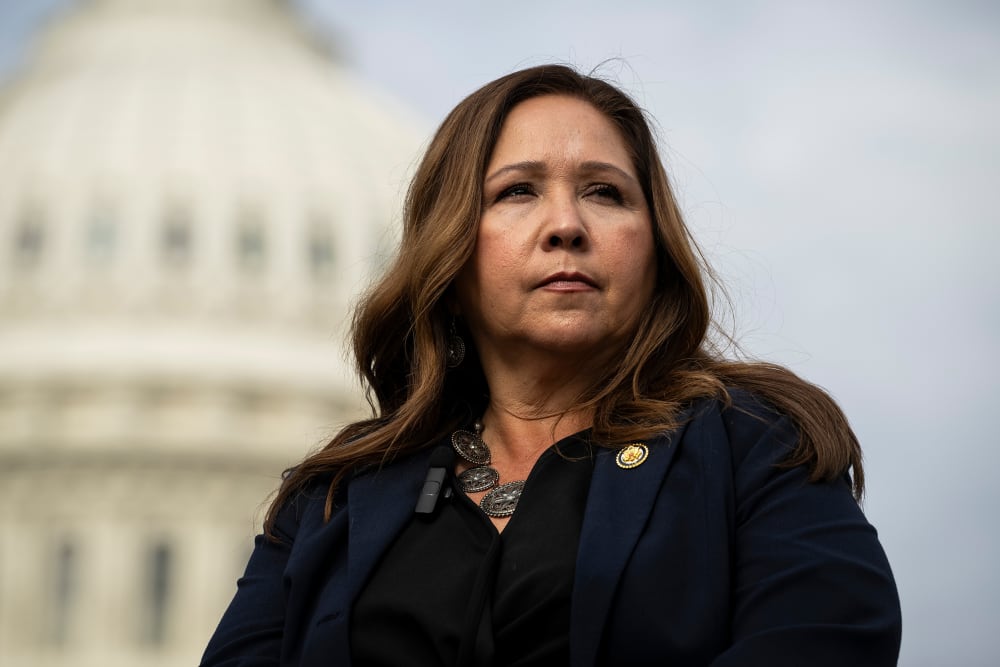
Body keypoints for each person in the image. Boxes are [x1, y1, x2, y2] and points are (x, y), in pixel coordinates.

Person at [201, 64, 901, 666]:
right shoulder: (333, 500)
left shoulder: (755, 447)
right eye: (517, 191)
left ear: (653, 248)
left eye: (606, 191)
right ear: (450, 247)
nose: (566, 224)